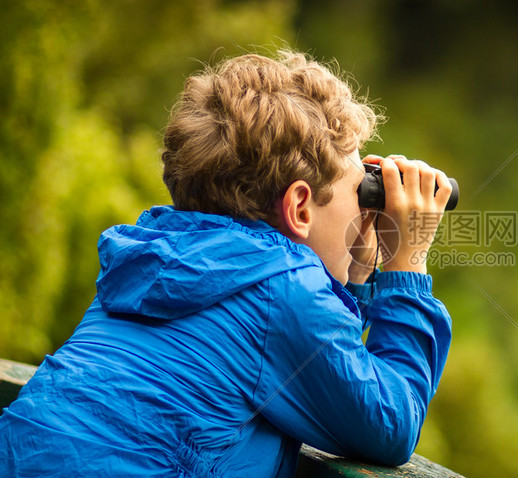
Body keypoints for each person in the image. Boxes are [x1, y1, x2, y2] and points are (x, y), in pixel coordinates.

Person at [0, 50, 453, 477]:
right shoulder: (282, 288)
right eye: (361, 192)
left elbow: (328, 379)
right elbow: (390, 421)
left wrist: (357, 274)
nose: (365, 209)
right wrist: (406, 262)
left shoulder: (154, 258)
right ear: (299, 208)